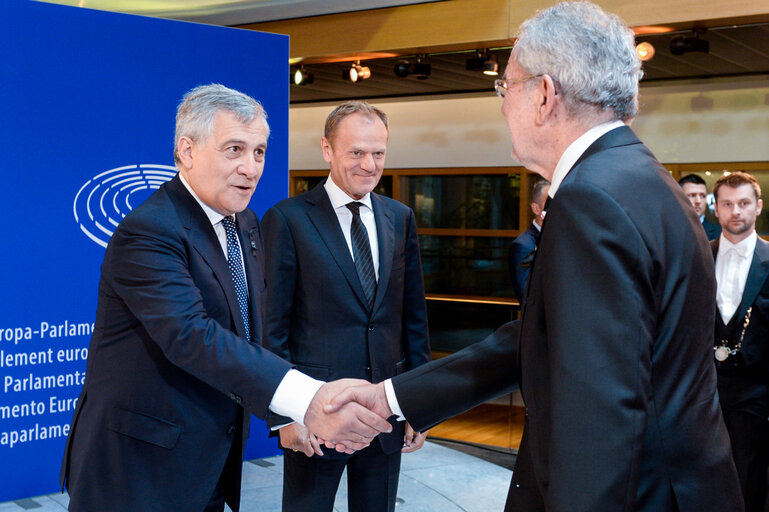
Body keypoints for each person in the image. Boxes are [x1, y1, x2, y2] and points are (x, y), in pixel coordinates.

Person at [327, 3, 742, 511]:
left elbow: (600, 413)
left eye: (505, 87)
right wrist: (392, 397)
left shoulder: (591, 200)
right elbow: (539, 337)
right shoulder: (642, 180)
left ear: (544, 95)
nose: (501, 105)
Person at [58, 84, 392, 512]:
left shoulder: (245, 224)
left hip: (209, 461)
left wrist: (287, 413)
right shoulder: (150, 230)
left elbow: (251, 331)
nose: (250, 168)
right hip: (138, 468)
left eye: (258, 152)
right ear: (187, 151)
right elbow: (193, 336)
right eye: (234, 149)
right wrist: (306, 399)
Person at [261, 101, 431, 512]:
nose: (369, 164)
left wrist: (421, 403)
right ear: (327, 149)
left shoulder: (399, 217)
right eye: (356, 152)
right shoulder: (287, 219)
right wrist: (286, 416)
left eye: (378, 153)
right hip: (316, 414)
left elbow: (413, 317)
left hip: (385, 410)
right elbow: (272, 327)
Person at [711, 171, 769, 512]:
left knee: (750, 477)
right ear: (715, 209)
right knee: (703, 474)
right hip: (704, 390)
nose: (736, 211)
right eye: (728, 204)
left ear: (758, 207)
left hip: (757, 392)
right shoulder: (699, 256)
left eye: (744, 203)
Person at [508, 178, 550, 300]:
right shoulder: (524, 245)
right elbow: (527, 296)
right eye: (549, 203)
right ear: (536, 209)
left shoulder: (560, 238)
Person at [679, 173, 721, 240]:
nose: (698, 201)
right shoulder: (666, 231)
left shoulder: (720, 233)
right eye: (692, 195)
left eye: (702, 196)